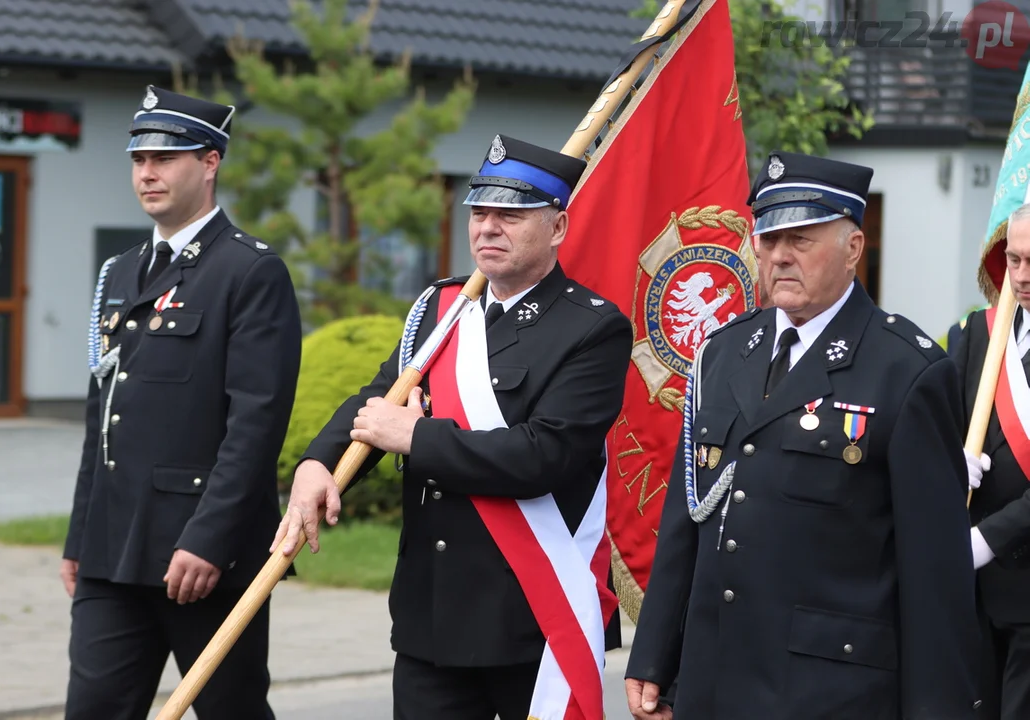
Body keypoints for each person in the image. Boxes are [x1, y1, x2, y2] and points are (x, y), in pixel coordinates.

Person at [272, 134, 633, 720]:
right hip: (430, 617)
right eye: (480, 212)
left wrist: (416, 438)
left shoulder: (592, 329)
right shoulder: (441, 311)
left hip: (529, 619)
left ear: (559, 228)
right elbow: (380, 398)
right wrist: (319, 462)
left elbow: (545, 455)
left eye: (511, 214)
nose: (488, 227)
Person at [624, 150, 981, 720]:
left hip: (828, 691)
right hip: (713, 679)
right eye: (768, 238)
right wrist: (654, 653)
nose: (780, 256)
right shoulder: (722, 352)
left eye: (803, 238)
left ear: (854, 249)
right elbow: (687, 514)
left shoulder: (906, 371)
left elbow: (934, 576)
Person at [60, 85, 301, 720]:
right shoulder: (119, 271)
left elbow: (255, 422)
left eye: (166, 159)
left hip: (203, 552)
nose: (148, 173)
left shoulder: (250, 272)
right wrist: (79, 535)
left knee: (232, 710)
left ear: (211, 161)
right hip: (113, 549)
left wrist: (209, 539)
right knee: (93, 708)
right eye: (139, 160)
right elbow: (102, 414)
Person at [956, 203, 1030, 720]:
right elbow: (938, 425)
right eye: (1014, 259)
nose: (1020, 277)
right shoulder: (979, 334)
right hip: (973, 593)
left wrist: (986, 541)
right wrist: (947, 464)